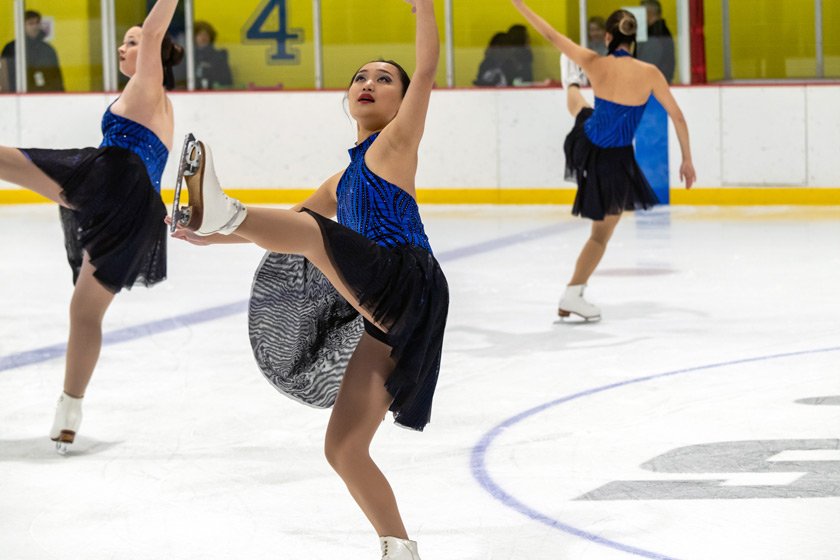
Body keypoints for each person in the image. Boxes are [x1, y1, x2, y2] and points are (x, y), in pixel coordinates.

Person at [170, 1, 446, 558]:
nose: (369, 83)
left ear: (402, 99)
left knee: (313, 236)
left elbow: (429, 64)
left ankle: (222, 210)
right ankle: (400, 548)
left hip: (405, 280)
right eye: (360, 78)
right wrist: (209, 236)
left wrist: (424, 7)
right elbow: (291, 223)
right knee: (344, 447)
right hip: (377, 300)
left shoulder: (397, 144)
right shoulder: (344, 175)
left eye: (384, 79)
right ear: (347, 99)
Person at [0, 0, 183, 453]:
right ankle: (69, 411)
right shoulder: (158, 100)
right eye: (124, 41)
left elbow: (157, 31)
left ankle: (69, 410)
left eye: (134, 41)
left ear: (154, 54)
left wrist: (157, 21)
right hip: (137, 209)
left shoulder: (148, 84)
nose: (125, 47)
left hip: (111, 180)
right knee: (84, 313)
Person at [510, 0, 695, 321]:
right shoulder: (650, 73)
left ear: (608, 38)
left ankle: (571, 79)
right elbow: (677, 117)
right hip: (614, 159)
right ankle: (573, 294)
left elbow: (551, 35)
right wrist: (687, 161)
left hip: (588, 140)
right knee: (600, 235)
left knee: (579, 106)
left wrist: (519, 4)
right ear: (634, 40)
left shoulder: (594, 61)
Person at [0, 10, 64, 92]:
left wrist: (60, 96)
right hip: (18, 97)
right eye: (30, 23)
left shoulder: (48, 49)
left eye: (37, 23)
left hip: (46, 98)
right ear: (22, 26)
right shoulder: (11, 48)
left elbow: (56, 78)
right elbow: (5, 76)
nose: (35, 26)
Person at [636, 0, 675, 82]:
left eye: (640, 12)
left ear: (649, 13)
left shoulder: (654, 35)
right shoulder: (662, 32)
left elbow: (647, 64)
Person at [193, 20, 232, 90]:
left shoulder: (219, 57)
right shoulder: (188, 57)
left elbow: (227, 81)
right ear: (194, 37)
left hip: (214, 94)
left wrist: (210, 72)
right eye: (200, 34)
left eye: (206, 34)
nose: (203, 37)